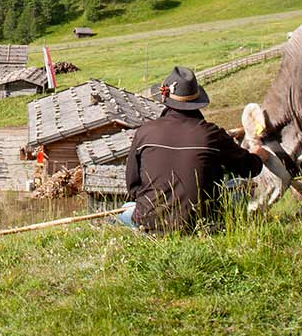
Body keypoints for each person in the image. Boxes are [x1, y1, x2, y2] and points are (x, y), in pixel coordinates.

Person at [118, 66, 288, 232]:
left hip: (148, 223)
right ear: (197, 102)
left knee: (125, 210)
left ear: (165, 99)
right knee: (238, 185)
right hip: (201, 223)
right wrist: (258, 155)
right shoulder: (211, 134)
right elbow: (249, 169)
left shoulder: (145, 131)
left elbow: (133, 186)